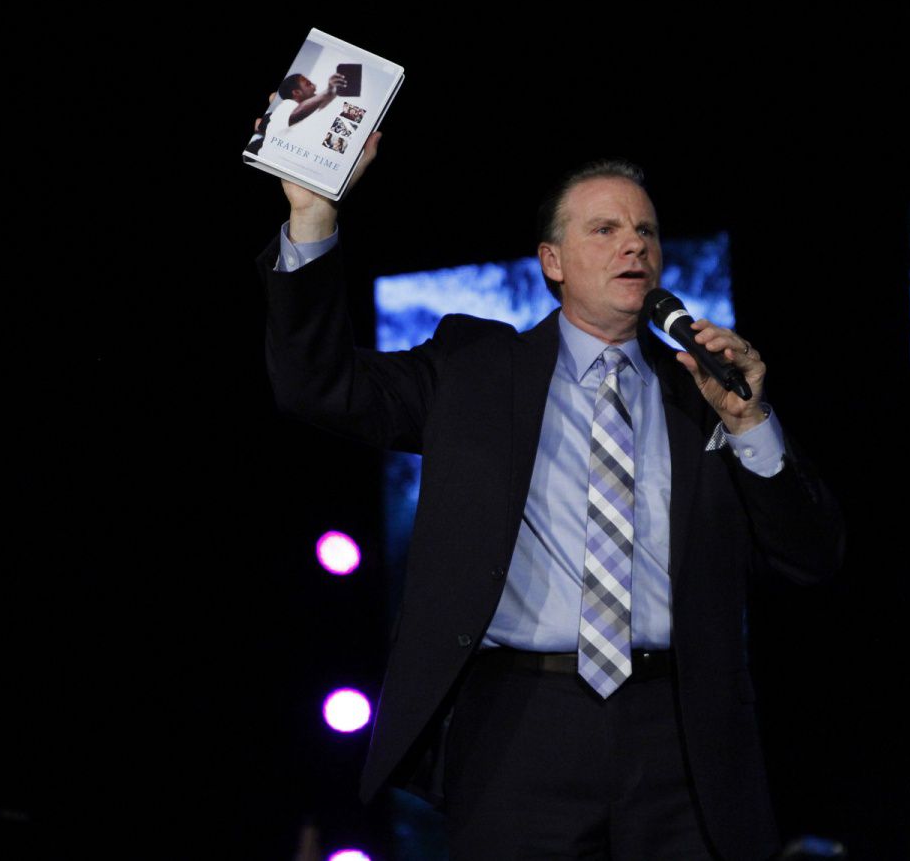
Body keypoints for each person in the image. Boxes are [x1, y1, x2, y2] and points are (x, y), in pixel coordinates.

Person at [257, 138, 844, 859]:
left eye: (646, 231)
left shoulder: (704, 394)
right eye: (605, 229)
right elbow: (319, 385)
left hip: (681, 731)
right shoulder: (474, 370)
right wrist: (312, 217)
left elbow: (811, 555)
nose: (634, 244)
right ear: (553, 262)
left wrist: (750, 423)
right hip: (520, 730)